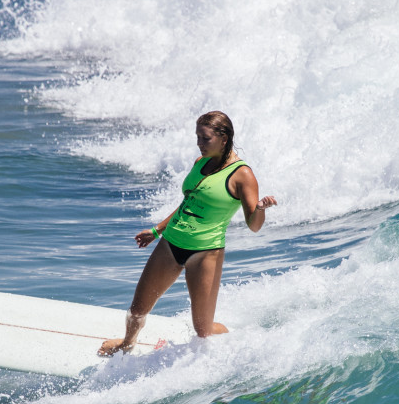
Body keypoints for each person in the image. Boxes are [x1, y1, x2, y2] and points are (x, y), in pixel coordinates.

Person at [99, 111, 277, 356]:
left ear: (223, 139)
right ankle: (127, 344)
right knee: (137, 310)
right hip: (171, 243)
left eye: (205, 139)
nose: (199, 144)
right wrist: (157, 230)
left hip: (205, 253)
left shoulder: (242, 175)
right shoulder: (200, 162)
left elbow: (254, 225)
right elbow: (187, 203)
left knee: (203, 331)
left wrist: (259, 209)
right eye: (197, 137)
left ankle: (235, 338)